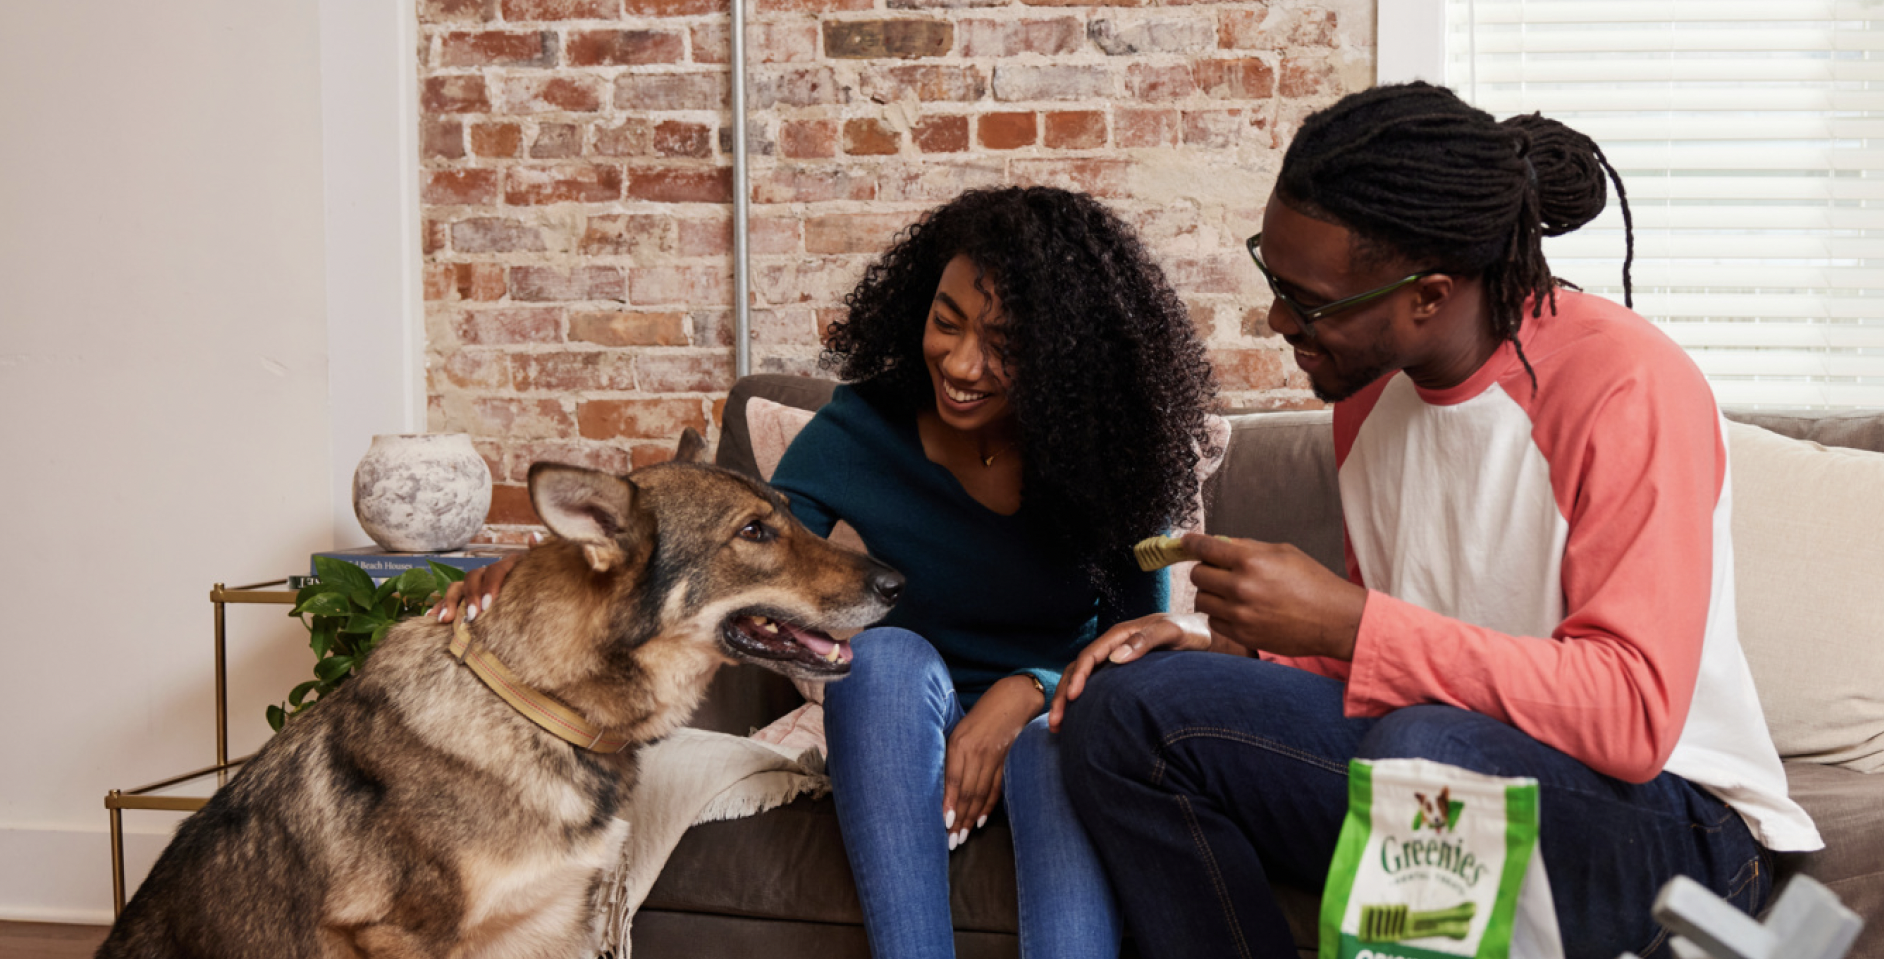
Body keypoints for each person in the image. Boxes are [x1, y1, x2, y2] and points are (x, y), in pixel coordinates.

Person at [1048, 81, 1822, 959]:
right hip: (1444, 760)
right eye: (1275, 274)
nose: (1277, 319)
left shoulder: (1626, 385)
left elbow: (1634, 713)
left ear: (1429, 294)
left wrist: (1352, 621)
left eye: (1311, 300)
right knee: (1126, 712)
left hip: (1679, 829)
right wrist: (1234, 643)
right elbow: (1403, 641)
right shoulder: (1368, 396)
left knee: (1428, 754)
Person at [446, 185, 1220, 959]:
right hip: (903, 722)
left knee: (1057, 739)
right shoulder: (863, 427)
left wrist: (1026, 693)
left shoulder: (1113, 458)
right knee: (882, 655)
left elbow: (1135, 648)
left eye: (1004, 343)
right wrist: (538, 572)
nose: (960, 361)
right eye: (945, 321)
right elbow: (722, 549)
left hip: (1059, 723)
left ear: (1066, 356)